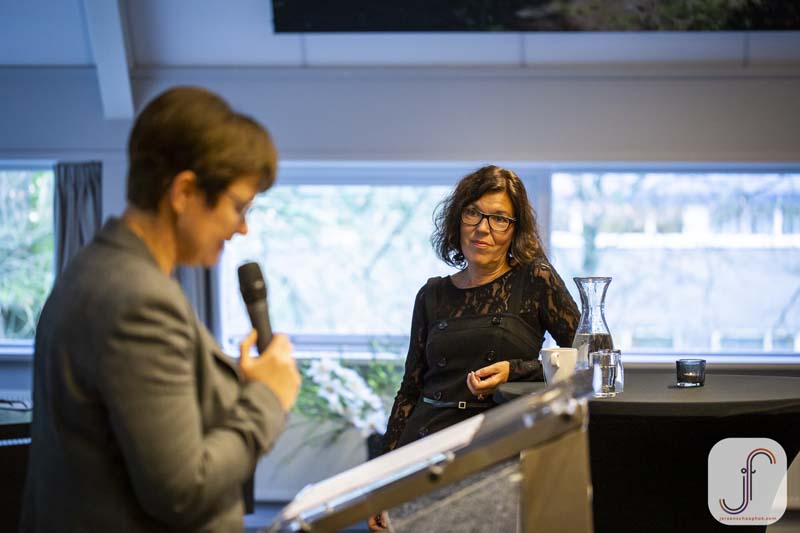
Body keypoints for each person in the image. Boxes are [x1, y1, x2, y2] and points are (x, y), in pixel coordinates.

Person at [20, 87, 301, 533]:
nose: (242, 227)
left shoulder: (99, 267)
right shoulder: (138, 300)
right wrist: (269, 397)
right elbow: (182, 489)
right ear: (185, 191)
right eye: (238, 207)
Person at [369, 165, 579, 530]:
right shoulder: (432, 293)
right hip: (425, 447)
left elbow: (591, 361)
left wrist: (516, 371)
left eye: (499, 218)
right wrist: (382, 481)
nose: (483, 228)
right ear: (458, 220)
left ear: (515, 230)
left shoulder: (535, 279)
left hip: (493, 449)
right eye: (473, 213)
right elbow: (410, 391)